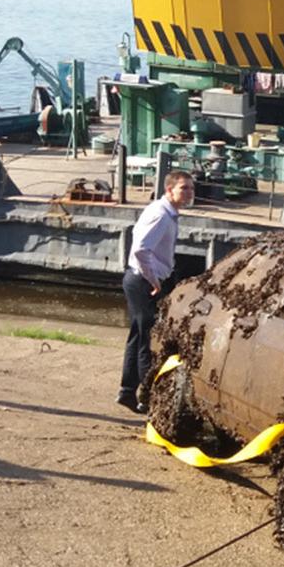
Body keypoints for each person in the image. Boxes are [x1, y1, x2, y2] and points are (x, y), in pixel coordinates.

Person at [118, 170, 194, 414]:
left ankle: (127, 392)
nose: (189, 193)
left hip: (142, 280)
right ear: (169, 190)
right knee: (147, 342)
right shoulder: (162, 216)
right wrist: (154, 281)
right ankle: (149, 399)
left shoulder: (165, 213)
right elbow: (140, 249)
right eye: (184, 188)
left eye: (191, 188)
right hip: (143, 282)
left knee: (137, 336)